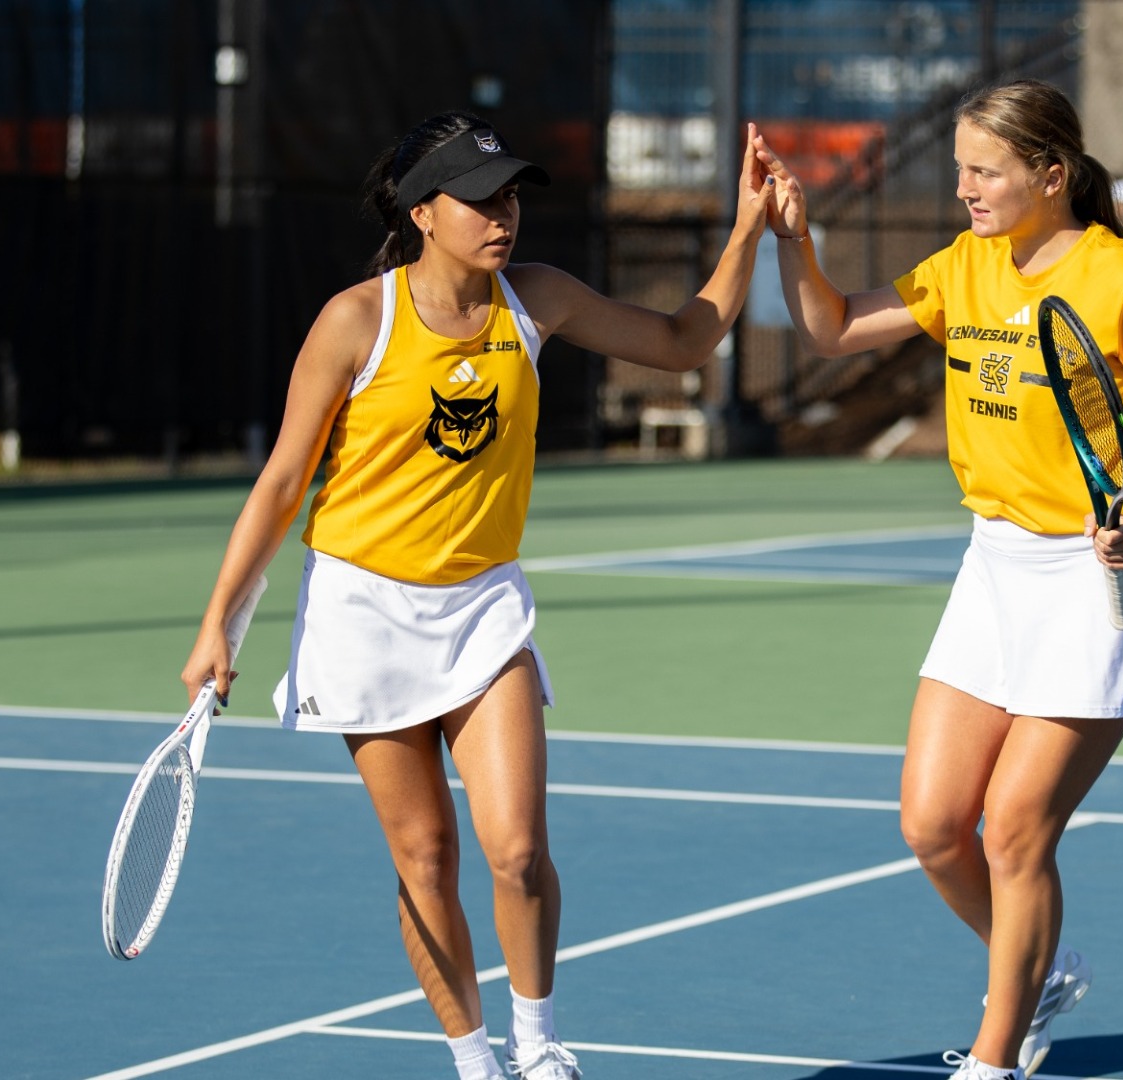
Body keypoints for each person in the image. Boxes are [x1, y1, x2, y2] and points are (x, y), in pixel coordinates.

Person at [182, 111, 771, 1080]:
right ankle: (473, 1062)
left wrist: (747, 229)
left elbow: (680, 343)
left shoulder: (534, 300)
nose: (504, 216)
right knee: (423, 860)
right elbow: (283, 481)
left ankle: (538, 1052)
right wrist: (219, 627)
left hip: (482, 609)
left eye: (510, 196)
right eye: (479, 198)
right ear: (422, 212)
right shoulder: (354, 322)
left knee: (516, 851)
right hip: (360, 614)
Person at [754, 80, 1123, 1080]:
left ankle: (996, 1056)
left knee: (1015, 830)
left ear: (1051, 176)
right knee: (932, 827)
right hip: (995, 571)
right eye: (961, 167)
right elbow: (831, 330)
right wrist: (795, 240)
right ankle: (1038, 970)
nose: (963, 187)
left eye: (984, 170)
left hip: (1096, 583)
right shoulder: (964, 267)